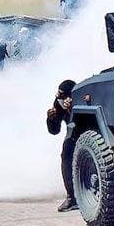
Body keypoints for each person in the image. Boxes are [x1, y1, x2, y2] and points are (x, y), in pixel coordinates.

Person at [46, 79, 77, 212]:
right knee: (66, 155)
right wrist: (51, 119)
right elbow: (54, 131)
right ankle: (71, 197)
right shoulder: (58, 103)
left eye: (63, 96)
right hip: (72, 134)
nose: (60, 99)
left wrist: (71, 110)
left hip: (88, 132)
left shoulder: (80, 99)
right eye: (58, 96)